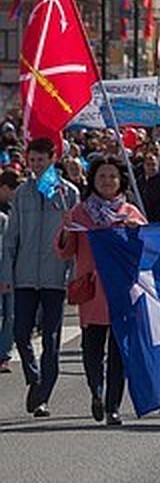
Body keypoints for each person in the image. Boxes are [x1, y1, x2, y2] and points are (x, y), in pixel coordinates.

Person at [55, 156, 146, 426]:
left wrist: (136, 233)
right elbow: (64, 251)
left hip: (121, 291)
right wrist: (65, 228)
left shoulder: (131, 213)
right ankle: (96, 390)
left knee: (119, 353)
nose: (107, 181)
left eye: (112, 176)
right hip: (93, 290)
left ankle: (113, 406)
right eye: (102, 176)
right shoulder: (80, 212)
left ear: (121, 181)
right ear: (93, 180)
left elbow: (145, 250)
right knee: (92, 348)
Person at [0, 137, 81, 418]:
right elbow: (11, 239)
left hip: (54, 275)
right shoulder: (22, 192)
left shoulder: (67, 193)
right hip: (24, 275)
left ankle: (44, 394)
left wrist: (72, 274)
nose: (35, 165)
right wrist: (6, 274)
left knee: (51, 336)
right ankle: (34, 377)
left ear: (52, 159)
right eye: (32, 160)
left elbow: (74, 239)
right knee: (21, 332)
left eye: (40, 160)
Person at [0, 169, 20, 374]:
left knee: (10, 315)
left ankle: (4, 354)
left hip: (13, 268)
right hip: (3, 266)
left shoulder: (14, 210)